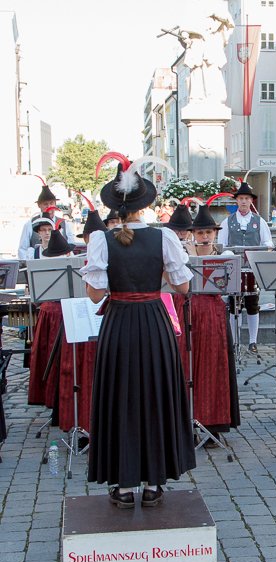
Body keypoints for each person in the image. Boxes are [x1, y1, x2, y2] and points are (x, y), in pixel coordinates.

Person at [81, 158, 196, 509]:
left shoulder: (101, 239)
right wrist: (157, 275)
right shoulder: (164, 237)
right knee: (155, 394)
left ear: (114, 206)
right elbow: (184, 288)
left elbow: (95, 294)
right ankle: (153, 482)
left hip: (118, 325)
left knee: (120, 396)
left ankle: (123, 483)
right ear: (145, 203)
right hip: (153, 323)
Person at [177, 205, 240, 446]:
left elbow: (228, 286)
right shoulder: (183, 255)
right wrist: (189, 257)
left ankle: (213, 422)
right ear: (193, 234)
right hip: (189, 311)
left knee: (214, 365)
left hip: (213, 313)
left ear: (215, 234)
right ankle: (187, 421)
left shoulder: (225, 257)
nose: (204, 237)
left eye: (208, 233)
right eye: (200, 233)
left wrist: (199, 258)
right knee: (188, 366)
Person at [58, 211, 107, 436]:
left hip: (102, 320)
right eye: (88, 237)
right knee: (81, 377)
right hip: (81, 319)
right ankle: (83, 423)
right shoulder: (79, 262)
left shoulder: (108, 258)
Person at [218, 181, 273, 353]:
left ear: (251, 201)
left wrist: (262, 252)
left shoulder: (259, 221)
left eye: (246, 198)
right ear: (237, 201)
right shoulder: (228, 222)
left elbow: (268, 242)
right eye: (241, 198)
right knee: (234, 304)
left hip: (251, 268)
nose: (243, 201)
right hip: (235, 268)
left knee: (252, 302)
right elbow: (221, 244)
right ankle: (235, 341)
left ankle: (252, 341)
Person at [27, 229, 75, 412]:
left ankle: (64, 398)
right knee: (52, 357)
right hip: (54, 313)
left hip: (63, 311)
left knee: (64, 358)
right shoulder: (45, 267)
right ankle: (54, 398)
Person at [18, 182, 75, 259]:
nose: (49, 206)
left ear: (55, 204)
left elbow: (71, 245)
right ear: (39, 205)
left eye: (51, 203)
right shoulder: (30, 225)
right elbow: (23, 249)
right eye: (45, 204)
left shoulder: (64, 223)